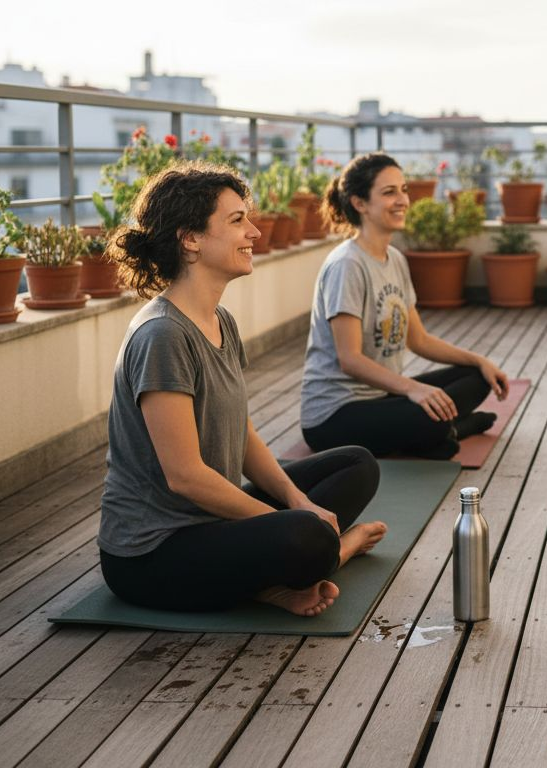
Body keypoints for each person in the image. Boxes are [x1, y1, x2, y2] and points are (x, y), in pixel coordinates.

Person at [99, 162, 388, 618]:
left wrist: (299, 501)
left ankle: (269, 581)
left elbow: (243, 433)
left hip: (210, 524)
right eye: (237, 221)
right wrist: (289, 522)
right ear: (189, 239)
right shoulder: (162, 335)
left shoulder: (220, 320)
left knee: (357, 464)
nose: (254, 232)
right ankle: (334, 555)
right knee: (306, 537)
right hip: (152, 554)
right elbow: (186, 476)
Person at [300, 153, 508, 459]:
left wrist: (479, 360)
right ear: (360, 203)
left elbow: (419, 339)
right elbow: (350, 360)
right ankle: (450, 430)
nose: (402, 200)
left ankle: (444, 431)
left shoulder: (395, 259)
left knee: (477, 378)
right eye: (389, 192)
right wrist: (412, 389)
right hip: (335, 415)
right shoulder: (347, 265)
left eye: (403, 189)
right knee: (430, 417)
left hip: (381, 396)